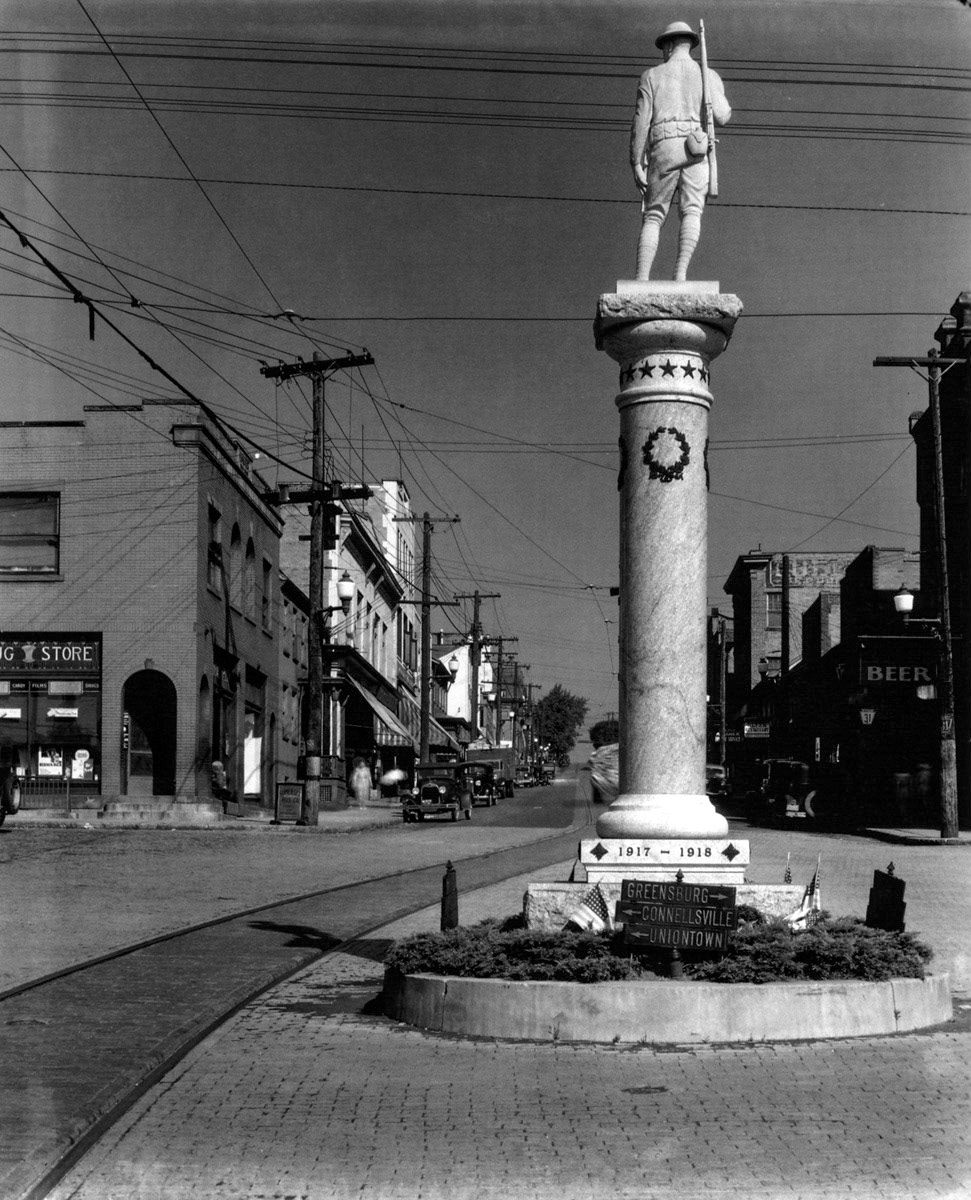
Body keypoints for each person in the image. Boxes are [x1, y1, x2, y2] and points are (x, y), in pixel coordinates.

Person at [629, 20, 732, 282]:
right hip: (697, 149)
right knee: (692, 212)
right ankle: (681, 275)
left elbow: (641, 121)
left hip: (664, 148)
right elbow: (723, 116)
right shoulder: (707, 74)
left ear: (670, 45)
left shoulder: (651, 75)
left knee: (653, 215)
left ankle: (642, 278)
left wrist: (636, 163)